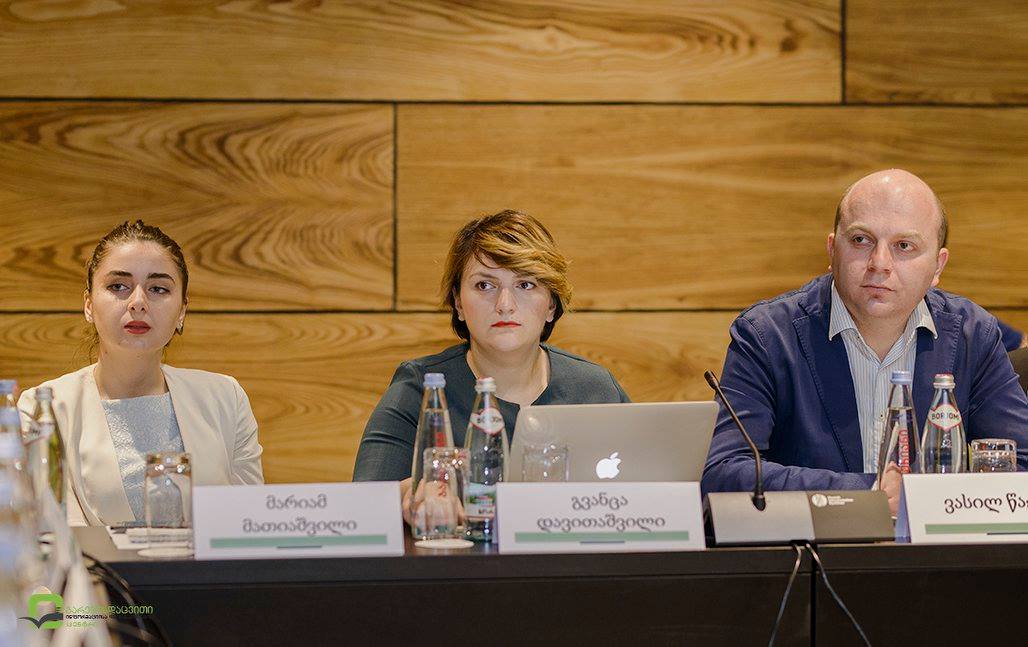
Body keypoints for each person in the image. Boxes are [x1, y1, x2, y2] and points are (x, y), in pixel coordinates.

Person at [702, 170, 1028, 514]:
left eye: (904, 246)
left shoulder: (972, 335)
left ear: (937, 265)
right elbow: (722, 473)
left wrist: (932, 499)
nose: (880, 264)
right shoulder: (767, 336)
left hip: (938, 546)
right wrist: (870, 493)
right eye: (861, 240)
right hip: (815, 546)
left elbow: (1021, 462)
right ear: (832, 249)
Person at [352, 210, 629, 516]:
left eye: (526, 285)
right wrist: (412, 493)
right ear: (458, 302)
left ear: (551, 304)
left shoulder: (595, 388)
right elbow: (363, 503)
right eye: (485, 285)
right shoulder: (421, 387)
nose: (505, 305)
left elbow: (650, 494)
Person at [18, 221, 264, 526]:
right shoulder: (44, 408)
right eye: (118, 286)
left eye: (158, 289)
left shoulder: (226, 398)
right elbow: (55, 535)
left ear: (182, 310)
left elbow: (249, 526)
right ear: (89, 305)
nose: (138, 303)